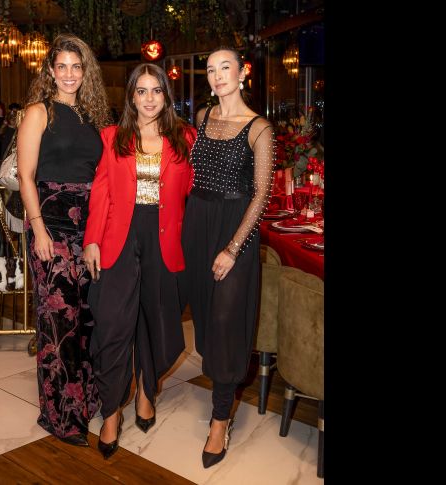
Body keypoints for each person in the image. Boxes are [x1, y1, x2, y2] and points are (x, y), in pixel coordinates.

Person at [83, 63, 196, 459]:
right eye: (141, 91)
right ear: (131, 96)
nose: (149, 99)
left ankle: (147, 390)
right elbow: (100, 194)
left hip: (165, 240)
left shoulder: (186, 139)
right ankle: (111, 410)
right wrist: (92, 241)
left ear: (166, 95)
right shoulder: (111, 137)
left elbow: (197, 196)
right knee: (113, 324)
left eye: (157, 91)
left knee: (157, 320)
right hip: (118, 236)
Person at [179, 46, 275, 469]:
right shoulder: (202, 118)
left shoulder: (259, 128)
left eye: (225, 68)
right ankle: (218, 388)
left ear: (242, 72)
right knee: (203, 315)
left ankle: (221, 419)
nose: (217, 76)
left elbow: (261, 195)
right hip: (196, 222)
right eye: (211, 70)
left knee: (226, 320)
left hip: (234, 228)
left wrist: (233, 248)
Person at [16, 34, 112, 447]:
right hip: (51, 226)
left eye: (77, 66)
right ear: (51, 71)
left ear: (85, 71)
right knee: (59, 321)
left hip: (89, 230)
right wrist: (38, 228)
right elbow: (25, 175)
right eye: (63, 67)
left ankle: (85, 401)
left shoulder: (95, 117)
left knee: (88, 319)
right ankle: (60, 416)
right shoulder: (39, 113)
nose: (70, 74)